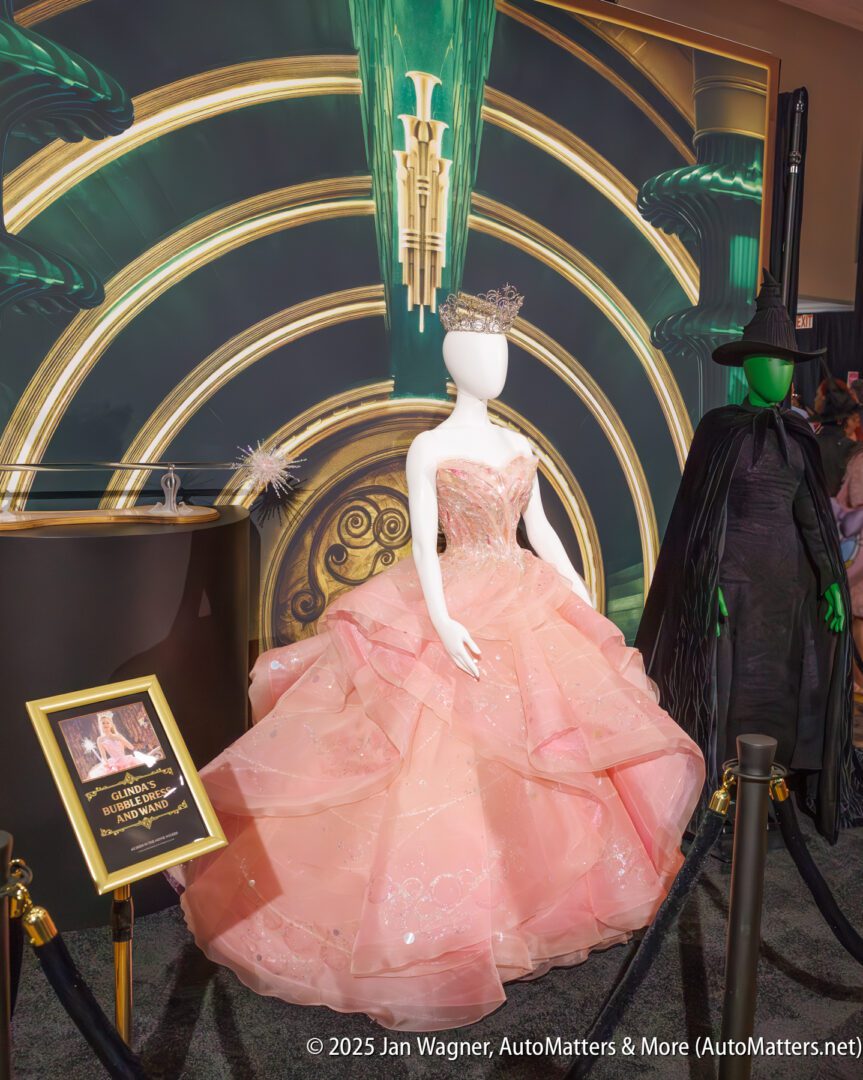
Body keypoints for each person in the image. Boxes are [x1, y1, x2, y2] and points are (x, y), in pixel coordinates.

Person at [176, 285, 704, 1031]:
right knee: (433, 749)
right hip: (455, 594)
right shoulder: (430, 446)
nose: (498, 366)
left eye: (504, 352)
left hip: (526, 596)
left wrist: (580, 603)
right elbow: (423, 545)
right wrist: (445, 621)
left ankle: (531, 900)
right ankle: (447, 921)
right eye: (484, 353)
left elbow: (541, 530)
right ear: (456, 362)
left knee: (540, 748)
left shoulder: (522, 446)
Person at [637, 270, 863, 843]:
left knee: (782, 688)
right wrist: (703, 576)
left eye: (789, 362)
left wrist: (831, 581)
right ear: (748, 364)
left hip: (785, 590)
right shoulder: (719, 431)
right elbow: (697, 517)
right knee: (726, 690)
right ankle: (719, 800)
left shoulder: (799, 433)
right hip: (730, 581)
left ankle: (774, 800)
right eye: (772, 360)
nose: (782, 372)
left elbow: (811, 511)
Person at [87, 712, 140, 779]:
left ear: (111, 725)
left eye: (107, 723)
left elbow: (131, 747)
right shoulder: (100, 739)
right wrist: (105, 763)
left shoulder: (118, 736)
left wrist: (120, 739)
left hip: (125, 760)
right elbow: (103, 755)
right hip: (114, 763)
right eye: (103, 723)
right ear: (100, 725)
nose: (105, 724)